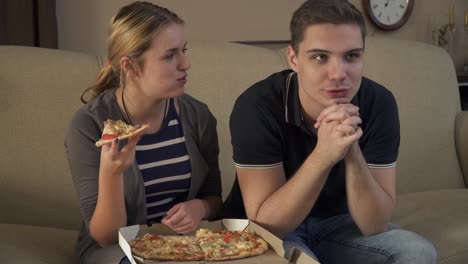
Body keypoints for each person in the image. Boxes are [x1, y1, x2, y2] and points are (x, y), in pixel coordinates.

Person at [224, 0, 437, 263]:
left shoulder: (379, 103)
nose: (338, 74)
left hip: (339, 224)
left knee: (418, 252)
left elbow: (375, 225)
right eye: (319, 57)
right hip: (264, 231)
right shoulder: (257, 106)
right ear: (294, 58)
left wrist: (351, 150)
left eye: (351, 56)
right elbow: (269, 224)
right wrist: (324, 155)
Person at [65, 2, 222, 263]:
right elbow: (105, 237)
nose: (186, 63)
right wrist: (111, 172)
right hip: (118, 251)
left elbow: (215, 199)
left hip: (181, 246)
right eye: (170, 55)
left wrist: (201, 207)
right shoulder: (89, 125)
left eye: (183, 50)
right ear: (131, 66)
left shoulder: (197, 116)